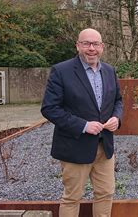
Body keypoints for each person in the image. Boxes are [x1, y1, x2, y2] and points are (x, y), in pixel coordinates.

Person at [41, 28, 123, 217]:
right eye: (86, 43)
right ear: (78, 46)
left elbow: (118, 100)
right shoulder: (62, 71)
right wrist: (83, 125)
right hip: (74, 146)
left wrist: (116, 119)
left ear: (102, 47)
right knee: (72, 198)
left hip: (105, 147)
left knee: (105, 194)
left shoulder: (109, 71)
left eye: (95, 44)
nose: (91, 48)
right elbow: (49, 109)